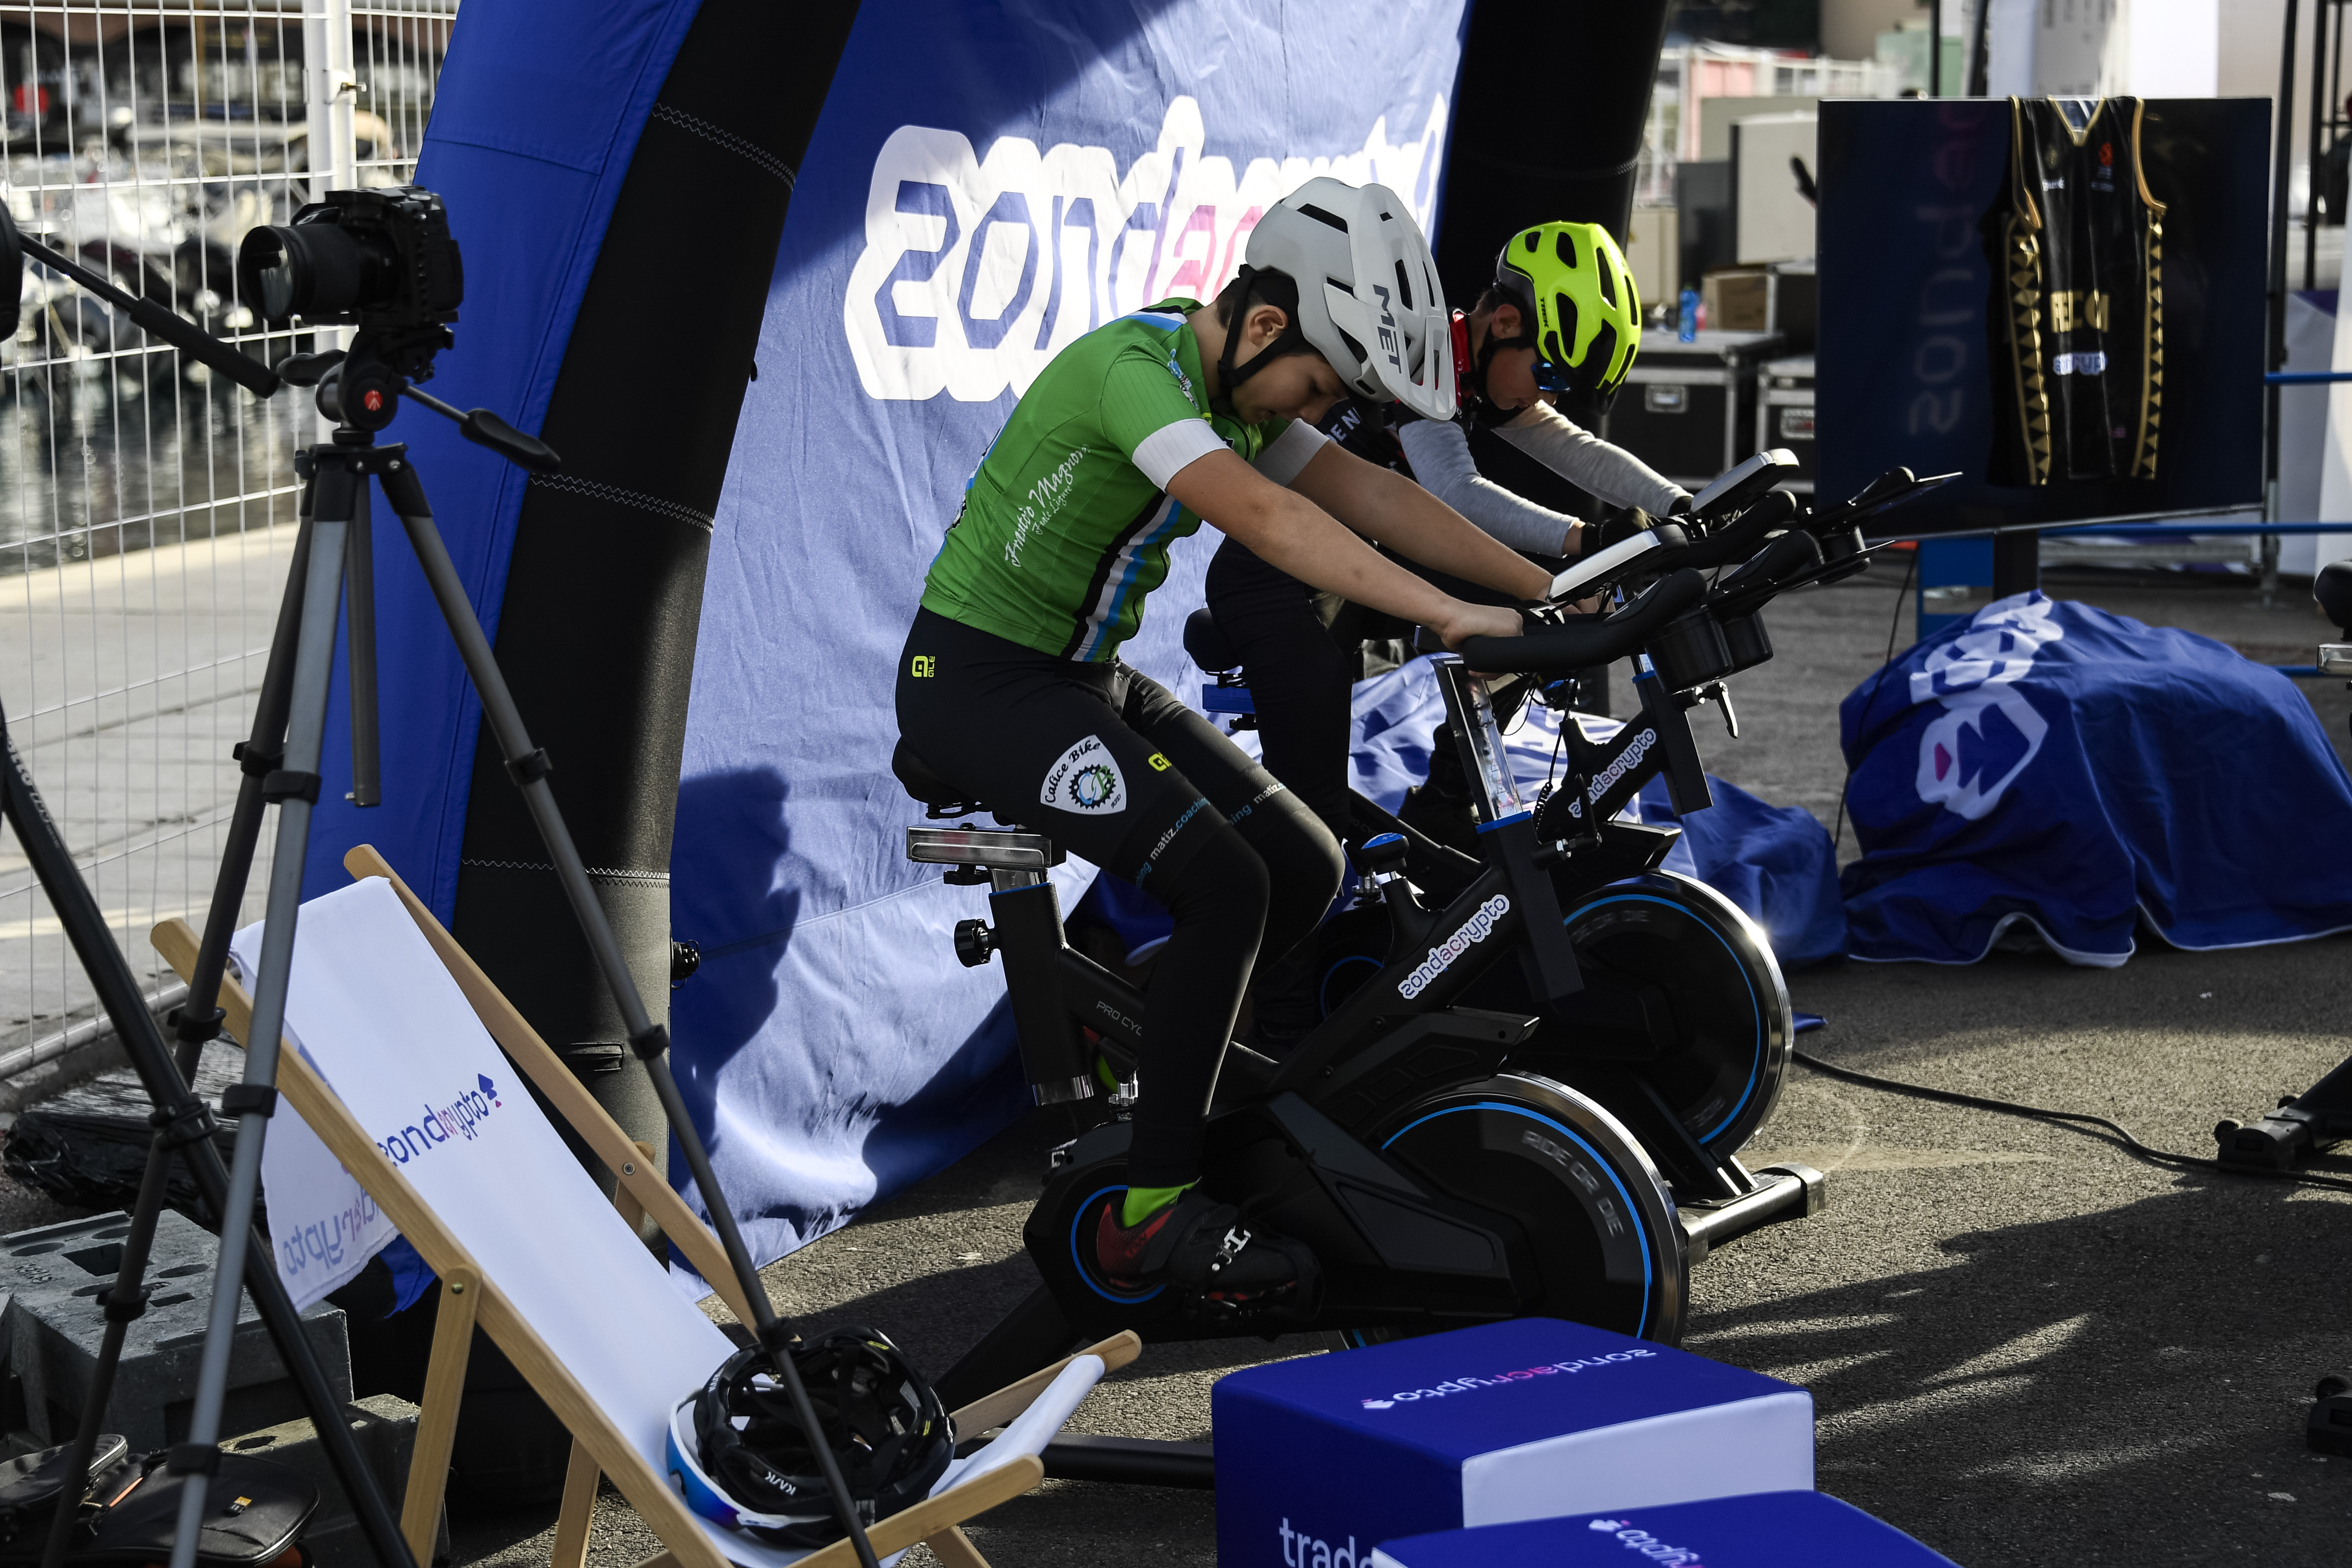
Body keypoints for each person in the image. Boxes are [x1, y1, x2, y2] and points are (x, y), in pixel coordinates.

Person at [894, 179, 1550, 1311]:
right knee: (1226, 885)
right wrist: (1448, 615)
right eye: (1314, 382)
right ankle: (1148, 1218)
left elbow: (1378, 502)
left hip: (1077, 677)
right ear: (1261, 326)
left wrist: (1556, 589)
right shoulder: (1133, 373)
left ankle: (1150, 1047)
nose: (1313, 408)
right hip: (974, 683)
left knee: (1307, 864)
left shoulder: (1241, 395)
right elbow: (1274, 522)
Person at [1203, 221, 1688, 1037]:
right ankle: (1279, 1036)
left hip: (1353, 570)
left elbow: (1580, 454)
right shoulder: (1426, 355)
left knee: (1528, 629)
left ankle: (1440, 835)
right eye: (1549, 373)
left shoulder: (1492, 373)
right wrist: (1586, 540)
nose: (1549, 398)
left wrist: (1691, 509)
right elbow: (1455, 493)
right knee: (1306, 813)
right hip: (1274, 585)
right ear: (1505, 324)